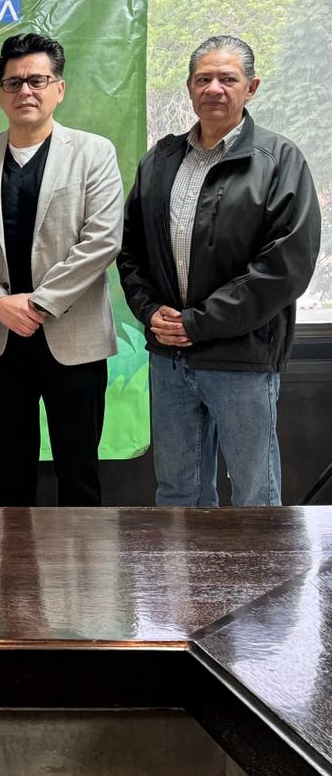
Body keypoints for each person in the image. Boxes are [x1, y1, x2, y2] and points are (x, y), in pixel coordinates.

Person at [118, 35, 320, 507]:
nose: (214, 88)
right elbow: (130, 251)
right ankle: (185, 584)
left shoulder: (279, 160)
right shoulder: (160, 160)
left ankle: (258, 584)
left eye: (227, 79)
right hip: (169, 359)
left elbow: (285, 265)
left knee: (254, 495)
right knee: (177, 493)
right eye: (203, 79)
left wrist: (199, 323)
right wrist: (151, 314)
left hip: (242, 358)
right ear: (189, 88)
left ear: (251, 87)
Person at [0, 33, 123, 505]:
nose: (24, 91)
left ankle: (83, 580)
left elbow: (102, 240)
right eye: (13, 83)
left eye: (37, 80)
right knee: (11, 480)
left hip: (74, 338)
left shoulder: (94, 152)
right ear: (0, 93)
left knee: (79, 476)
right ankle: (17, 580)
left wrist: (39, 303)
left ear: (59, 89)